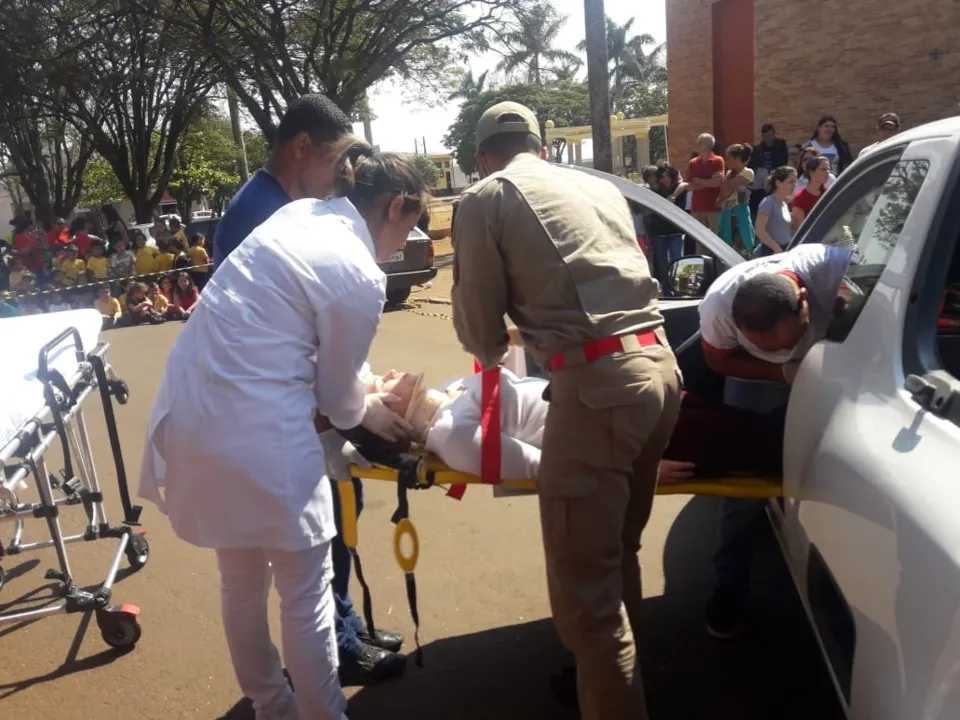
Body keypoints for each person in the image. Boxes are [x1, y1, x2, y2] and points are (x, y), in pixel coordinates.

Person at [137, 147, 428, 720]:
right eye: (409, 230)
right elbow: (339, 399)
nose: (400, 248)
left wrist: (362, 392)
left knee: (239, 581)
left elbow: (289, 337)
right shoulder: (359, 269)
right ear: (396, 207)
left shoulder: (298, 217)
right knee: (305, 593)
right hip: (262, 431)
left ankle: (274, 708)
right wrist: (374, 410)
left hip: (193, 415)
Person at [451, 100, 682, 720]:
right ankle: (618, 689)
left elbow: (480, 331)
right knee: (615, 555)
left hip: (601, 389)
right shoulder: (593, 185)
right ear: (541, 146)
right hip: (659, 370)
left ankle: (611, 693)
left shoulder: (484, 198)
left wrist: (496, 340)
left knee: (589, 601)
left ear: (482, 157)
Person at [210, 93, 406, 685]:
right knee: (313, 551)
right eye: (333, 165)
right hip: (280, 411)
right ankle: (339, 640)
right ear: (302, 148)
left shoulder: (276, 203)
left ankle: (344, 624)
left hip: (284, 401)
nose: (338, 184)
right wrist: (356, 407)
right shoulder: (266, 212)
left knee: (335, 518)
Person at [696, 242, 854, 638]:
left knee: (832, 470)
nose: (783, 350)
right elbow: (718, 360)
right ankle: (728, 585)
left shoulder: (833, 268)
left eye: (787, 341)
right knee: (743, 483)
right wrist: (782, 372)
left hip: (837, 370)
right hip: (757, 380)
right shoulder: (718, 305)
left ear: (804, 299)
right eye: (769, 346)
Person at [212, 93, 353, 269]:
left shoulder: (263, 202)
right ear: (302, 146)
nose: (338, 177)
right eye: (335, 161)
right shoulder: (267, 218)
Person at [648, 164, 686, 295]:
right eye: (662, 177)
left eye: (667, 177)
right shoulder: (655, 191)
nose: (665, 180)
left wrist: (674, 196)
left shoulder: (678, 188)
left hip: (675, 231)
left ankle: (680, 289)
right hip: (659, 232)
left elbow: (685, 185)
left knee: (677, 260)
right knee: (662, 262)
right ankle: (667, 291)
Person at [717, 144, 756, 254]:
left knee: (744, 243)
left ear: (737, 159)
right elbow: (724, 190)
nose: (727, 161)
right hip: (727, 211)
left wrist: (724, 186)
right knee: (726, 244)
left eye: (729, 158)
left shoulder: (747, 172)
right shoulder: (730, 173)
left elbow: (727, 186)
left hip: (740, 211)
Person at [748, 123, 789, 220]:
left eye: (770, 135)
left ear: (774, 134)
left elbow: (784, 160)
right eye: (766, 136)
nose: (768, 138)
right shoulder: (757, 149)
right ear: (762, 136)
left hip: (777, 174)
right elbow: (753, 165)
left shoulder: (781, 145)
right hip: (762, 179)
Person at [686, 132, 726, 234]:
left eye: (699, 142)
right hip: (697, 208)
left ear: (706, 145)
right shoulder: (693, 163)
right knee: (699, 239)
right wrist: (709, 181)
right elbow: (689, 186)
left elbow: (718, 183)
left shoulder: (718, 161)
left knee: (715, 239)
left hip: (713, 207)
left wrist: (699, 181)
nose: (697, 144)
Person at [754, 166, 797, 256]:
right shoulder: (768, 202)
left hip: (785, 250)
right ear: (778, 183)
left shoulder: (784, 204)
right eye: (791, 182)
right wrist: (776, 248)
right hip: (771, 252)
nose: (794, 185)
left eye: (795, 182)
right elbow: (759, 230)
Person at [791, 156, 831, 231]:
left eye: (828, 169)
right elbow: (798, 230)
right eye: (823, 169)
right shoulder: (800, 199)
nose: (827, 172)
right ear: (811, 172)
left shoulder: (830, 192)